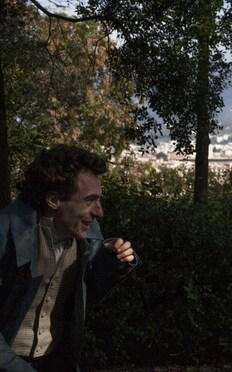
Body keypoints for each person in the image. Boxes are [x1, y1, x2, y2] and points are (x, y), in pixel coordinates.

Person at [0, 144, 140, 371]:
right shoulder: (4, 232)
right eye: (89, 200)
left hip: (56, 361)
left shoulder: (87, 233)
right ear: (54, 200)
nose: (99, 212)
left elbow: (83, 297)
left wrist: (112, 262)